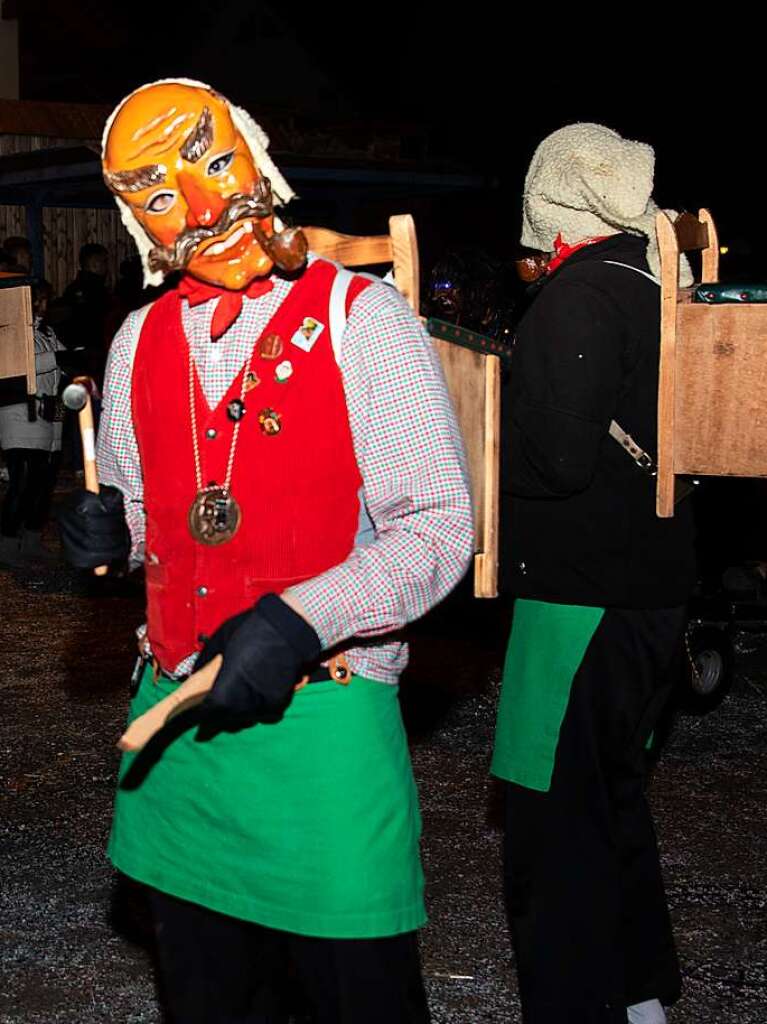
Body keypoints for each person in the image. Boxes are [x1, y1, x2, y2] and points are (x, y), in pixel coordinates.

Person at [58, 79, 473, 1024]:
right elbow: (142, 528)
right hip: (175, 741)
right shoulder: (135, 342)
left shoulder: (362, 320)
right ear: (136, 223)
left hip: (322, 736)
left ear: (254, 153)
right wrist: (105, 536)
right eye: (160, 193)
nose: (205, 205)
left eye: (212, 162)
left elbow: (440, 529)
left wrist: (299, 619)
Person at [492, 124, 697, 1024]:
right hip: (652, 590)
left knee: (553, 826)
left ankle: (578, 1005)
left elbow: (560, 461)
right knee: (612, 801)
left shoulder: (578, 298)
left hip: (580, 600)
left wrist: (482, 454)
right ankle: (639, 996)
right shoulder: (659, 285)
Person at [0, 279, 65, 566]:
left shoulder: (47, 333)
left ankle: (32, 540)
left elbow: (60, 375)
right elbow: (25, 364)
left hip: (48, 417)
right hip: (19, 416)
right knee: (22, 482)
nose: (44, 305)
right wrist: (61, 357)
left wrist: (59, 431)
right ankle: (8, 543)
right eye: (39, 300)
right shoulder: (12, 333)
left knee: (42, 484)